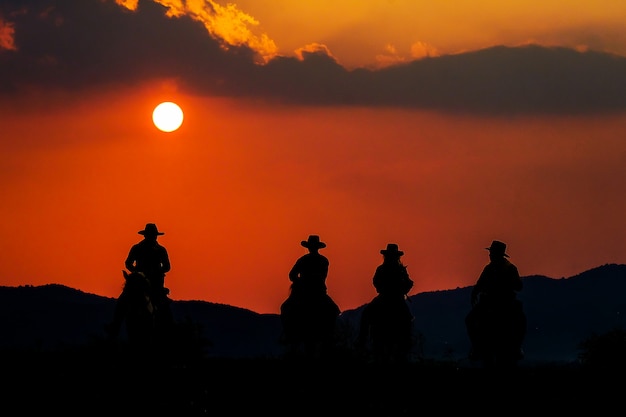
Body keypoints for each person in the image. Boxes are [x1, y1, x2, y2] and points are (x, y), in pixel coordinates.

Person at [105, 223, 171, 338]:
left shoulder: (160, 250)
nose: (152, 237)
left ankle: (170, 328)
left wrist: (155, 272)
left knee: (164, 305)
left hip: (155, 283)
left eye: (153, 235)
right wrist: (136, 272)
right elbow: (128, 263)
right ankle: (115, 326)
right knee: (123, 300)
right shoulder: (138, 248)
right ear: (146, 236)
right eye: (151, 235)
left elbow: (167, 267)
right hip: (139, 282)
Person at [465, 240, 526, 362]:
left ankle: (517, 346)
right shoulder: (490, 268)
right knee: (469, 320)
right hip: (490, 302)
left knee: (520, 322)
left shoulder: (510, 268)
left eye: (492, 253)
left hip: (504, 302)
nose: (490, 255)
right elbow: (479, 284)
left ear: (497, 254)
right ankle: (476, 347)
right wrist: (475, 292)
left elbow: (518, 286)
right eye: (491, 253)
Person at [280, 235, 340, 350]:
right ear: (318, 247)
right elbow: (323, 276)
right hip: (319, 292)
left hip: (304, 291)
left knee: (285, 308)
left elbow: (292, 275)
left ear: (308, 247)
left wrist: (299, 282)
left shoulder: (303, 260)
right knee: (333, 310)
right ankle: (332, 334)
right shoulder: (324, 260)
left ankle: (288, 334)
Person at [356, 243, 414, 357]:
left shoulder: (383, 268)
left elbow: (375, 281)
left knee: (366, 314)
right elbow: (409, 283)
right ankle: (406, 342)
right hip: (396, 298)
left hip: (384, 297)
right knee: (407, 317)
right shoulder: (400, 270)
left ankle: (362, 340)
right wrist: (402, 290)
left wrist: (382, 288)